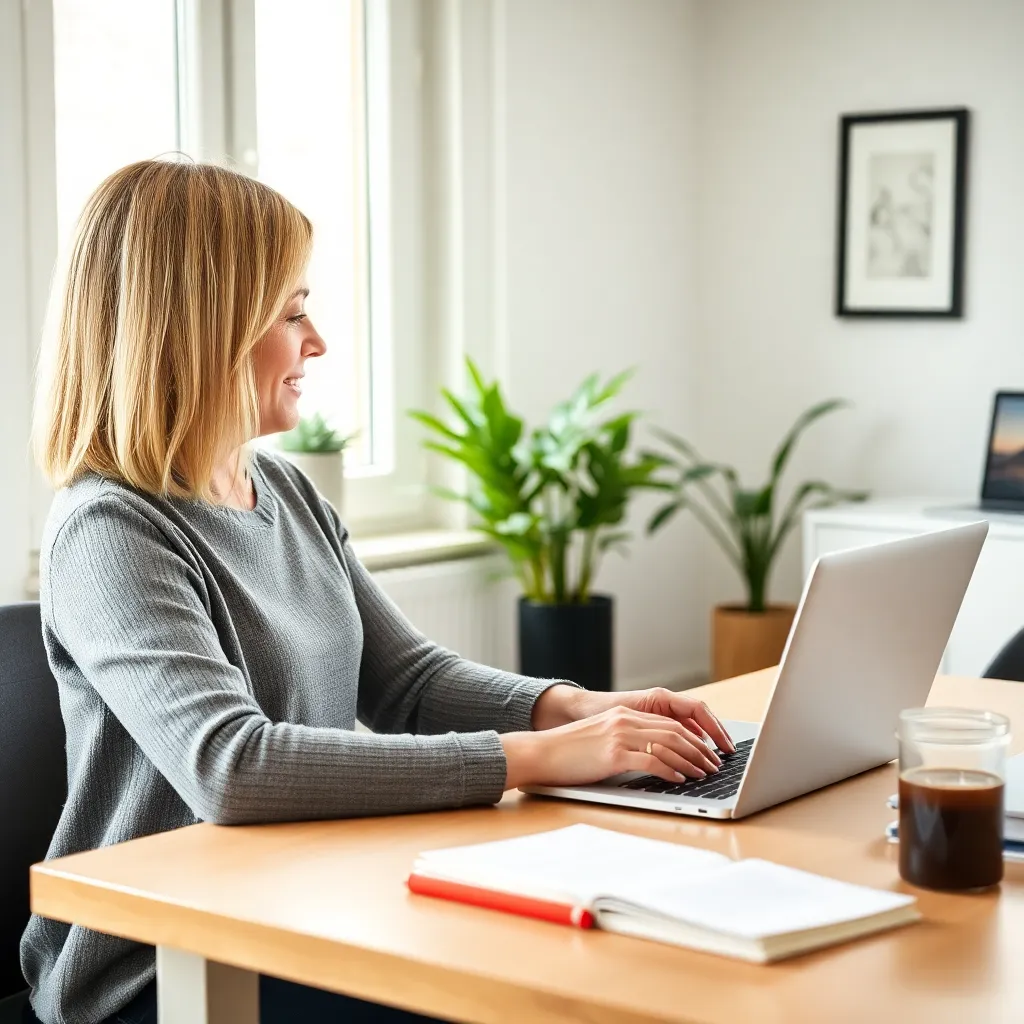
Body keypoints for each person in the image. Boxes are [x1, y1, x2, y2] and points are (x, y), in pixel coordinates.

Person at [20, 159, 734, 1024]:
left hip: (304, 906)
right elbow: (232, 767)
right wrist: (537, 759)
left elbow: (408, 683)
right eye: (290, 314)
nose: (315, 342)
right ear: (202, 329)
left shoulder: (283, 491)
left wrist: (576, 710)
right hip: (164, 967)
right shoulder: (110, 529)